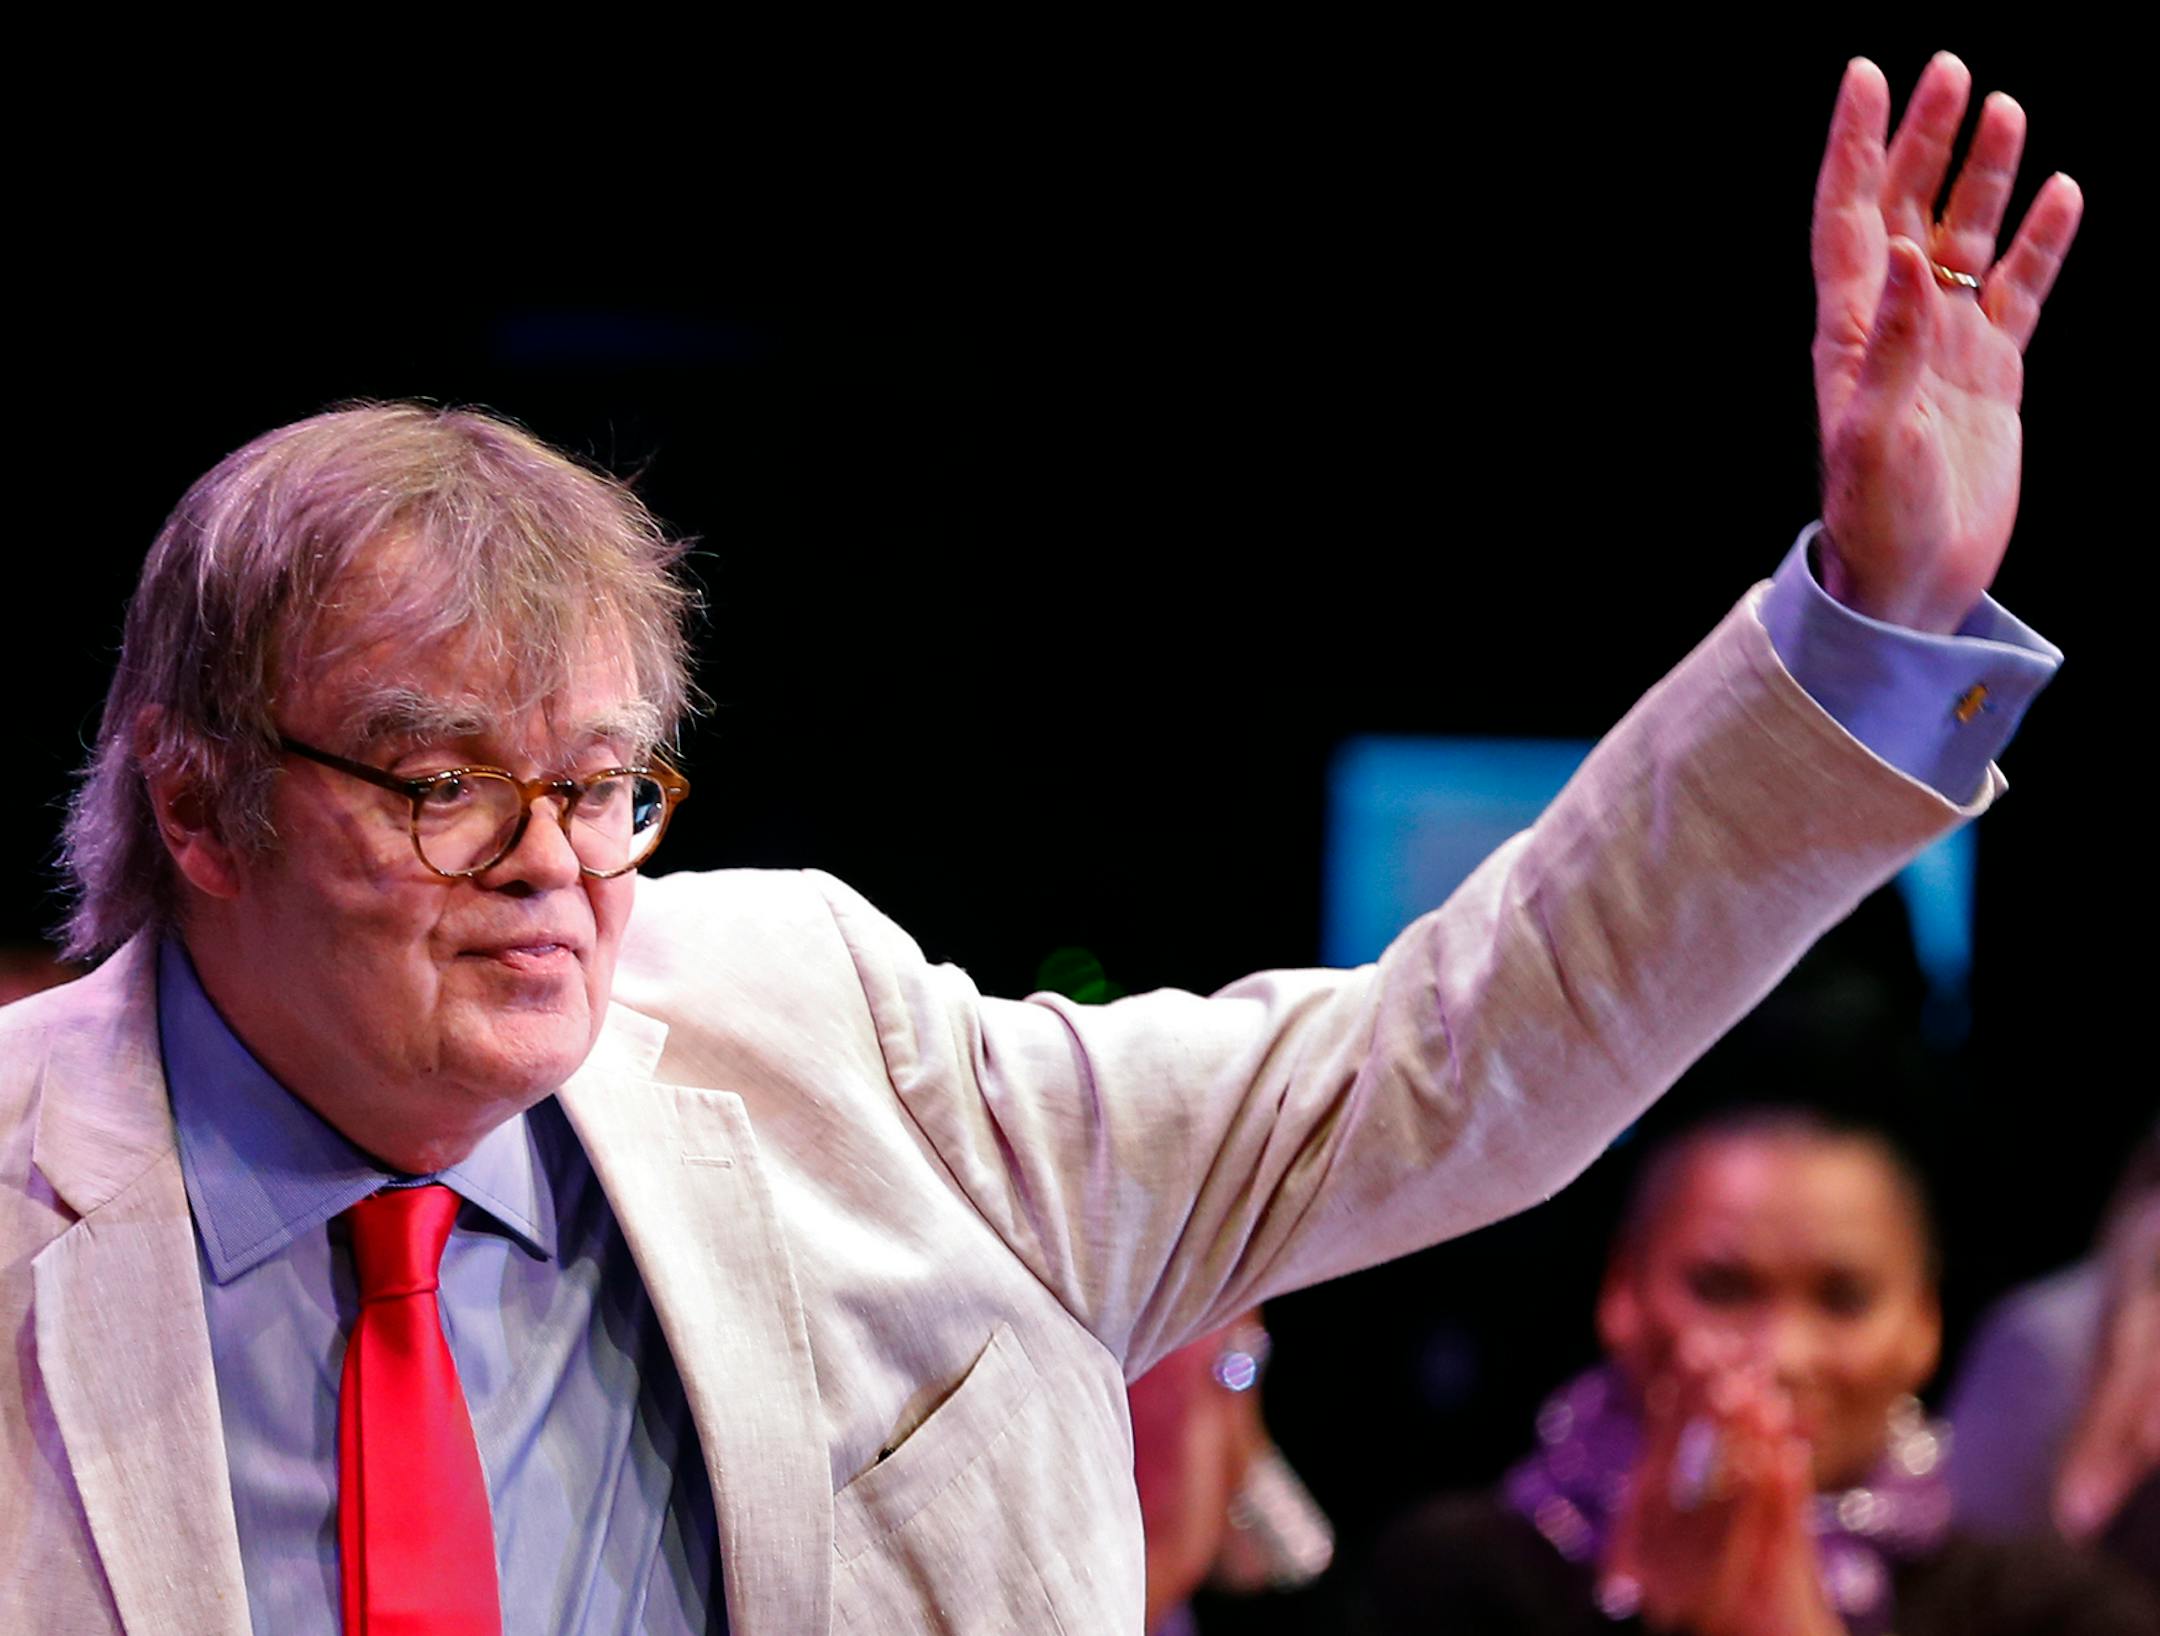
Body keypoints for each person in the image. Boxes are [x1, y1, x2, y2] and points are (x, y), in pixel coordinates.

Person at [0, 51, 2083, 1636]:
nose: (556, 865)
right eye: (447, 783)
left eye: (607, 783)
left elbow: (1454, 1051)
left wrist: (1873, 629)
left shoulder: (822, 1037)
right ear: (199, 802)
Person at [1355, 1110, 2160, 1635]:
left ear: (1923, 1327)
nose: (1779, 1355)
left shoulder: (2049, 1611)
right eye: (1722, 1290)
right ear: (1623, 1296)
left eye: (1843, 1300)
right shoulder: (1457, 1578)